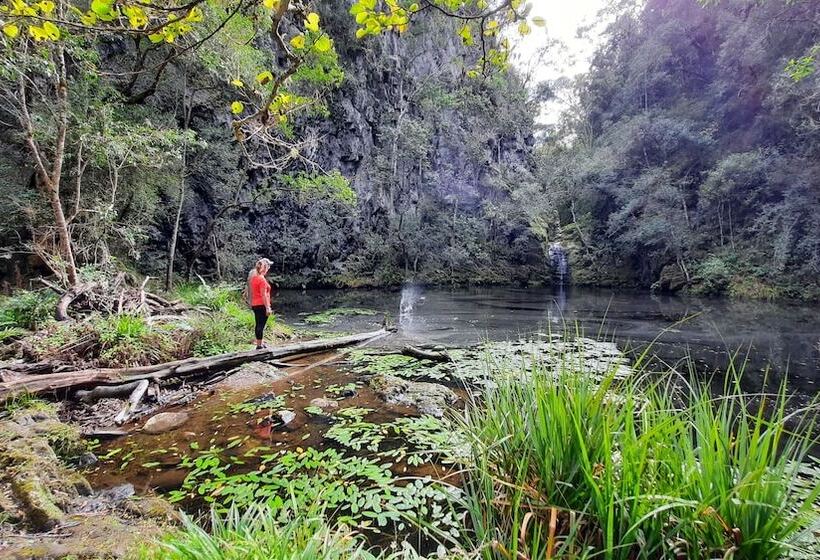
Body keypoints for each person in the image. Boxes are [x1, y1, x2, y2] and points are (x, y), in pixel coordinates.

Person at [249, 258, 273, 349]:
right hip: (261, 305)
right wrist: (267, 307)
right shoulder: (261, 279)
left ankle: (260, 343)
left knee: (258, 324)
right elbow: (263, 295)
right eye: (268, 266)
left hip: (255, 304)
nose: (269, 268)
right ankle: (259, 345)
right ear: (265, 267)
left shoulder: (253, 278)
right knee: (261, 325)